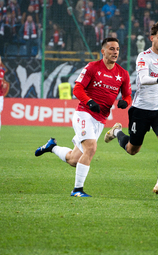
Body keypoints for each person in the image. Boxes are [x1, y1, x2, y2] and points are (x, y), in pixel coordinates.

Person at [34, 38, 132, 197]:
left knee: (74, 160)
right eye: (112, 49)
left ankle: (51, 147)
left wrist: (125, 102)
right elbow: (78, 88)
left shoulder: (123, 74)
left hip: (100, 121)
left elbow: (128, 95)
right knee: (91, 148)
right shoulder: (93, 67)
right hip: (84, 114)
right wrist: (89, 101)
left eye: (117, 49)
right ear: (103, 51)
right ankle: (77, 190)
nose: (115, 52)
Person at [104, 22, 158, 194]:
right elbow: (142, 79)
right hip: (141, 109)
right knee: (132, 150)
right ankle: (116, 133)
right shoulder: (144, 57)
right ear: (152, 38)